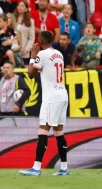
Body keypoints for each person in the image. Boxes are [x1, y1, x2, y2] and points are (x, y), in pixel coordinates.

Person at [20, 31, 69, 176]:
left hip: (51, 97)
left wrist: (32, 58)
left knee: (43, 130)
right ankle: (64, 168)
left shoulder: (42, 55)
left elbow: (30, 74)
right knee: (59, 132)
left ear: (40, 41)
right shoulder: (59, 54)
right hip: (62, 94)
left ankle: (36, 168)